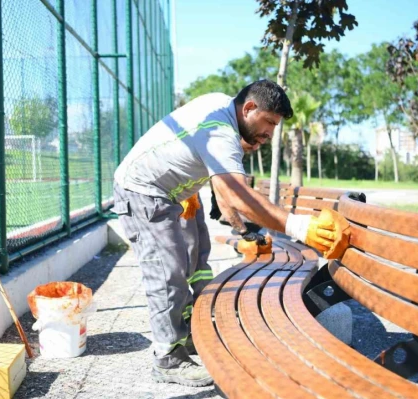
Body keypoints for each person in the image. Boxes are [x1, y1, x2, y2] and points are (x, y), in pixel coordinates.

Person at [112, 79, 350, 387]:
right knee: (166, 272)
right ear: (249, 108)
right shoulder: (221, 131)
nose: (270, 133)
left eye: (275, 126)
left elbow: (223, 192)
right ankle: (168, 358)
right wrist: (300, 227)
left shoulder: (221, 106)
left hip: (172, 193)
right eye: (268, 122)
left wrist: (239, 227)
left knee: (196, 261)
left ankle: (185, 334)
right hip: (143, 192)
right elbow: (237, 196)